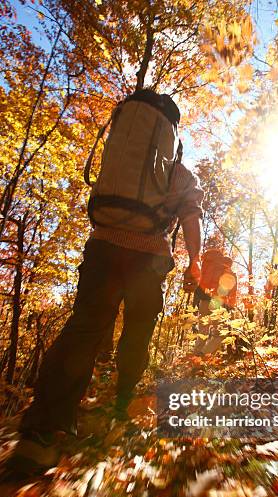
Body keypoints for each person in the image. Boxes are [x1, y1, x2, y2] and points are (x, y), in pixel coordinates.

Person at [8, 89, 203, 476]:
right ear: (172, 130)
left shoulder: (117, 151)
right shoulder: (174, 168)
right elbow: (192, 212)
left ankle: (40, 436)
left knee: (82, 332)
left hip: (102, 249)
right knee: (136, 334)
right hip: (148, 260)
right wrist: (195, 261)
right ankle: (121, 410)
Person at [193, 249, 237, 355]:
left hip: (203, 300)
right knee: (221, 333)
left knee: (202, 332)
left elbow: (199, 284)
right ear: (229, 264)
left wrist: (195, 302)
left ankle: (194, 359)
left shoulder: (207, 267)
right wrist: (230, 306)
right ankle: (203, 355)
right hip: (216, 301)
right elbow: (231, 292)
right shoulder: (228, 272)